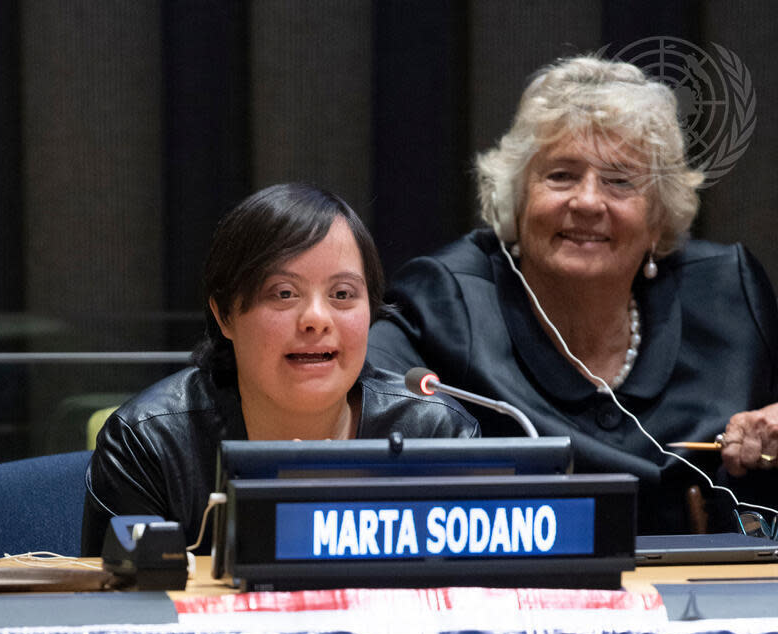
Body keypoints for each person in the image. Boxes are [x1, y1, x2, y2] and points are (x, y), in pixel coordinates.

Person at [367, 55, 778, 533]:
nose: (587, 201)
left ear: (659, 215)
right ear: (516, 199)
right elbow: (341, 405)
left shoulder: (729, 296)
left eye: (619, 181)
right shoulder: (446, 302)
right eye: (560, 175)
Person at [82, 183, 478, 553]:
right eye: (284, 293)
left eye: (342, 294)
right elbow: (121, 616)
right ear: (224, 314)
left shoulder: (435, 436)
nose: (316, 319)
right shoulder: (152, 443)